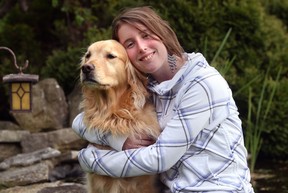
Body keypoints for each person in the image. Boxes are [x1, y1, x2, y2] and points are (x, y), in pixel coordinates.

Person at [72, 6, 254, 193]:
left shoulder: (202, 84)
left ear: (163, 33)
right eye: (130, 44)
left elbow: (160, 158)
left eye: (146, 35)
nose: (142, 47)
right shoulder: (146, 86)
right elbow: (80, 122)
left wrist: (91, 161)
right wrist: (119, 141)